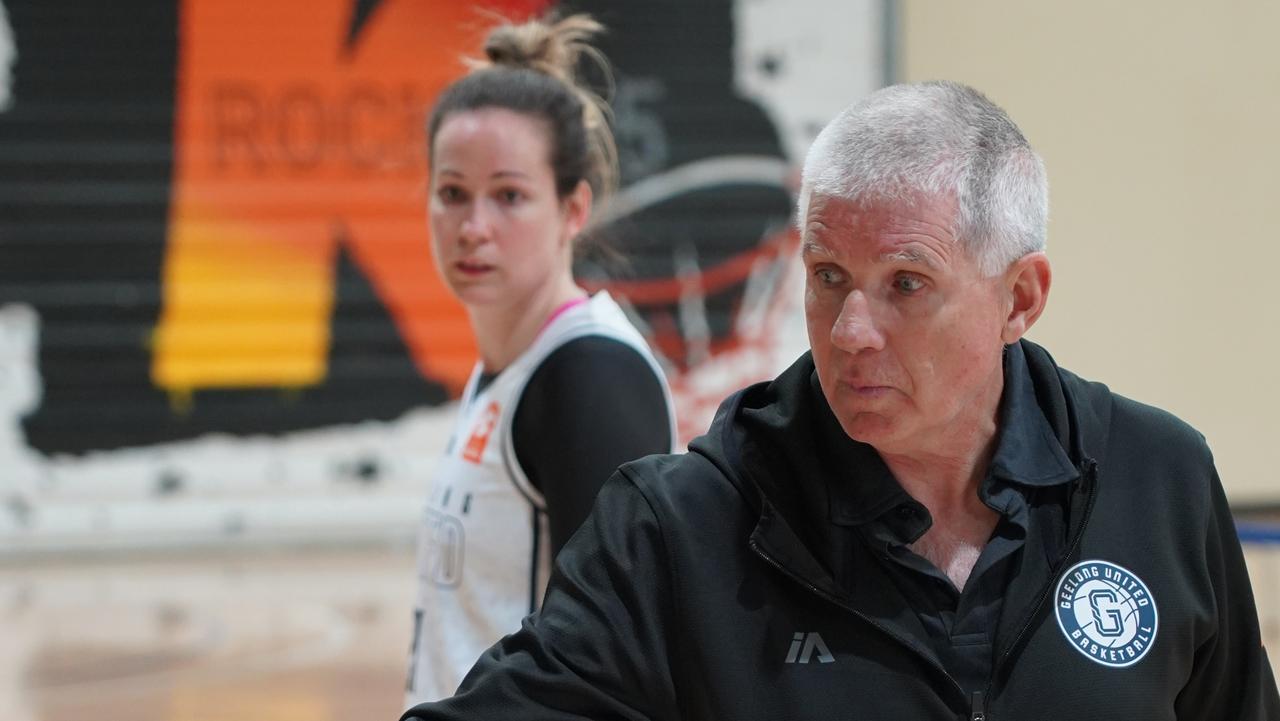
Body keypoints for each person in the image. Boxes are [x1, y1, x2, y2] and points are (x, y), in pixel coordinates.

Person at [401, 81, 1279, 719]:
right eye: (828, 277)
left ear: (1020, 298)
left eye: (905, 283)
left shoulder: (1158, 477)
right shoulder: (678, 527)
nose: (852, 328)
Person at [404, 14, 678, 707]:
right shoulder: (507, 367)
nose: (474, 227)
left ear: (574, 207)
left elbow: (613, 656)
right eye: (453, 194)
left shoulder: (589, 375)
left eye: (509, 196)